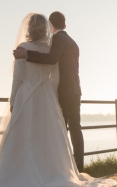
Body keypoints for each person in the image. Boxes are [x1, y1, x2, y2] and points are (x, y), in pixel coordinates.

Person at [0, 13, 116, 187]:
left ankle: (23, 174)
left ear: (28, 29)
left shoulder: (23, 49)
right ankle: (56, 172)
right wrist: (51, 96)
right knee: (52, 135)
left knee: (25, 135)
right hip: (49, 95)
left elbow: (18, 79)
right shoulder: (53, 46)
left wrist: (13, 100)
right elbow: (56, 76)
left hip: (27, 96)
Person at [13, 11, 84, 172]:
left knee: (60, 131)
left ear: (50, 25)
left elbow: (52, 59)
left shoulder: (57, 39)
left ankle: (64, 168)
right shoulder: (73, 42)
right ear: (65, 24)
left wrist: (27, 54)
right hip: (75, 90)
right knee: (75, 128)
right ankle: (77, 166)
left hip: (64, 92)